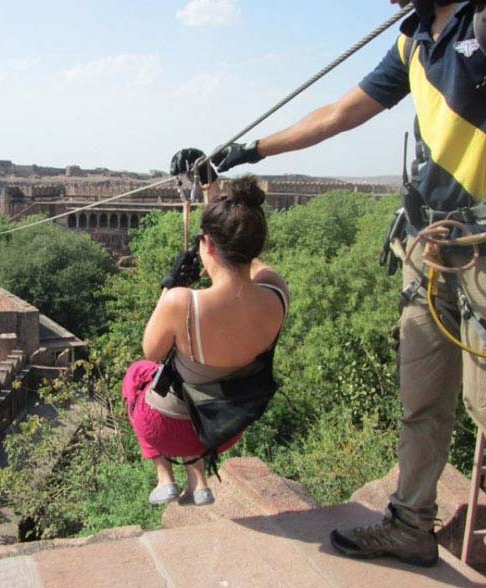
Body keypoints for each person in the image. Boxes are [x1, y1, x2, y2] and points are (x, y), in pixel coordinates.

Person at [172, 0, 485, 568]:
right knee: (422, 398)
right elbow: (342, 112)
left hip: (483, 252)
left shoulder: (478, 22)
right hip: (428, 246)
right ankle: (411, 525)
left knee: (481, 402)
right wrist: (248, 151)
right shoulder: (414, 36)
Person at [122, 176, 289, 507]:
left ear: (207, 245)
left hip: (168, 430)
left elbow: (153, 352)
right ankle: (198, 482)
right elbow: (245, 255)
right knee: (193, 392)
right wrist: (213, 197)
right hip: (225, 429)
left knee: (137, 374)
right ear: (255, 246)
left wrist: (170, 289)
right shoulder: (277, 292)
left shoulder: (182, 302)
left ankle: (164, 477)